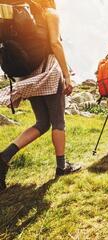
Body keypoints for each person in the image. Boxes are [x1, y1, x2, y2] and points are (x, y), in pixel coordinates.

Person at [0, 0, 82, 192]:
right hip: (48, 71)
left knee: (42, 123)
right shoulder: (49, 13)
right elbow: (55, 43)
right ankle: (62, 167)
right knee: (58, 122)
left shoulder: (15, 16)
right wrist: (67, 75)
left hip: (27, 76)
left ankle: (4, 157)